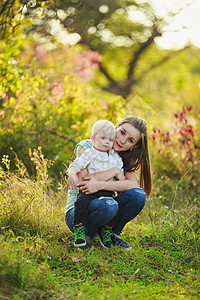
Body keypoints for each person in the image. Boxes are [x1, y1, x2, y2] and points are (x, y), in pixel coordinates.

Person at [65, 116, 152, 250]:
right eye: (122, 132)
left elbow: (132, 185)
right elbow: (84, 182)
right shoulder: (89, 145)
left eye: (130, 140)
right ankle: (86, 233)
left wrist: (102, 184)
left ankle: (107, 231)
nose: (122, 141)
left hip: (104, 204)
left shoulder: (120, 157)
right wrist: (114, 172)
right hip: (79, 212)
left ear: (134, 146)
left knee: (138, 196)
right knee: (108, 205)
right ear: (115, 127)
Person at [67, 119, 125, 247]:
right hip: (89, 190)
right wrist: (71, 173)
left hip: (107, 191)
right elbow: (76, 164)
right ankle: (79, 230)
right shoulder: (89, 153)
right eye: (103, 138)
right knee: (81, 203)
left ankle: (106, 230)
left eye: (110, 140)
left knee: (117, 208)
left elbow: (121, 175)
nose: (106, 142)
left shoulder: (116, 157)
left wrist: (119, 175)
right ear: (93, 139)